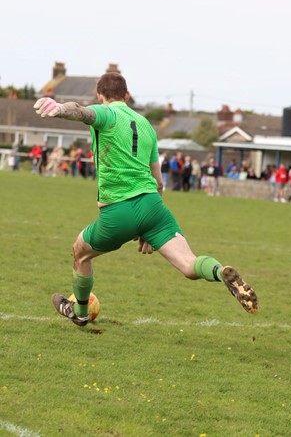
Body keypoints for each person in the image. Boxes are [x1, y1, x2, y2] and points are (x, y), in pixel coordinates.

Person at [33, 72, 258, 327]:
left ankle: (81, 312)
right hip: (154, 206)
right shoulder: (147, 126)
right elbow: (159, 180)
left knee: (80, 254)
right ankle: (220, 271)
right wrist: (148, 229)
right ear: (127, 96)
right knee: (188, 265)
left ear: (100, 96)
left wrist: (59, 108)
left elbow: (82, 112)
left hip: (118, 211)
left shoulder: (108, 113)